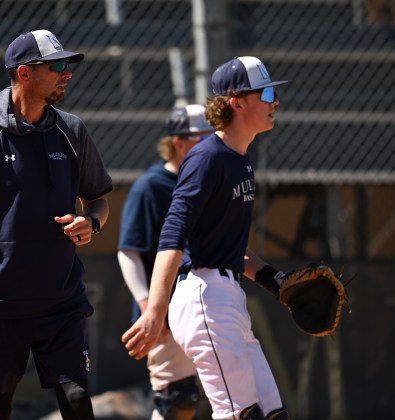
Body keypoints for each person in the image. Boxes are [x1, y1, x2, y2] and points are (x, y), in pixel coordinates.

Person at [0, 29, 112, 420]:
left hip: (61, 302)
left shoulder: (72, 130)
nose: (67, 73)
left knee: (79, 402)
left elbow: (99, 201)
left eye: (68, 66)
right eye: (57, 66)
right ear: (24, 73)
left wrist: (91, 223)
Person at [122, 56, 292, 419]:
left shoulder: (238, 158)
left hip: (228, 298)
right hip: (204, 296)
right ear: (237, 102)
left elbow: (228, 244)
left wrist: (275, 281)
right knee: (238, 414)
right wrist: (154, 310)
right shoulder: (207, 158)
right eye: (266, 92)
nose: (274, 100)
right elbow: (173, 234)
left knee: (270, 412)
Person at [118, 105, 215, 419]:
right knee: (178, 399)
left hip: (209, 305)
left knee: (230, 392)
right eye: (203, 138)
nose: (212, 144)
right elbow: (128, 251)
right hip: (167, 314)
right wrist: (149, 307)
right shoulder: (150, 187)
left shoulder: (209, 181)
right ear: (179, 143)